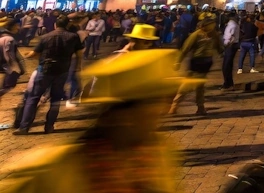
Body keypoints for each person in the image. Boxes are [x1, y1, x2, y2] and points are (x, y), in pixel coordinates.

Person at [6, 50, 199, 193]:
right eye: (158, 101)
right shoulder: (53, 170)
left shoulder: (160, 153)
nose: (166, 109)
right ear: (124, 113)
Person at [15, 14, 84, 134]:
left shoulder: (46, 36)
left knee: (33, 98)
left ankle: (24, 127)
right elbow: (79, 54)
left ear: (55, 25)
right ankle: (49, 127)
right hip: (62, 71)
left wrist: (28, 55)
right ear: (67, 24)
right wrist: (78, 66)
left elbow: (35, 54)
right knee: (56, 99)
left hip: (45, 70)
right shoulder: (73, 37)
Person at [170, 14, 222, 115]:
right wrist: (178, 61)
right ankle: (175, 104)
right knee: (188, 84)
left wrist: (222, 51)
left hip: (207, 62)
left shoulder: (214, 34)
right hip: (196, 62)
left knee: (200, 85)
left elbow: (218, 45)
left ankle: (200, 107)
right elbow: (185, 49)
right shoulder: (196, 35)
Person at [0, 17, 25, 99]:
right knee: (8, 86)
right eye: (17, 25)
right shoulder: (9, 39)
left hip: (5, 66)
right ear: (12, 26)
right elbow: (9, 55)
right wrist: (15, 68)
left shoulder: (4, 36)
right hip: (10, 67)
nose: (18, 28)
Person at [221, 12, 240, 89]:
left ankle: (228, 84)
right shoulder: (233, 24)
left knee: (226, 66)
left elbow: (231, 37)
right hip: (232, 45)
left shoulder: (232, 25)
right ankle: (229, 83)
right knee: (227, 65)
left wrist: (227, 44)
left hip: (230, 46)